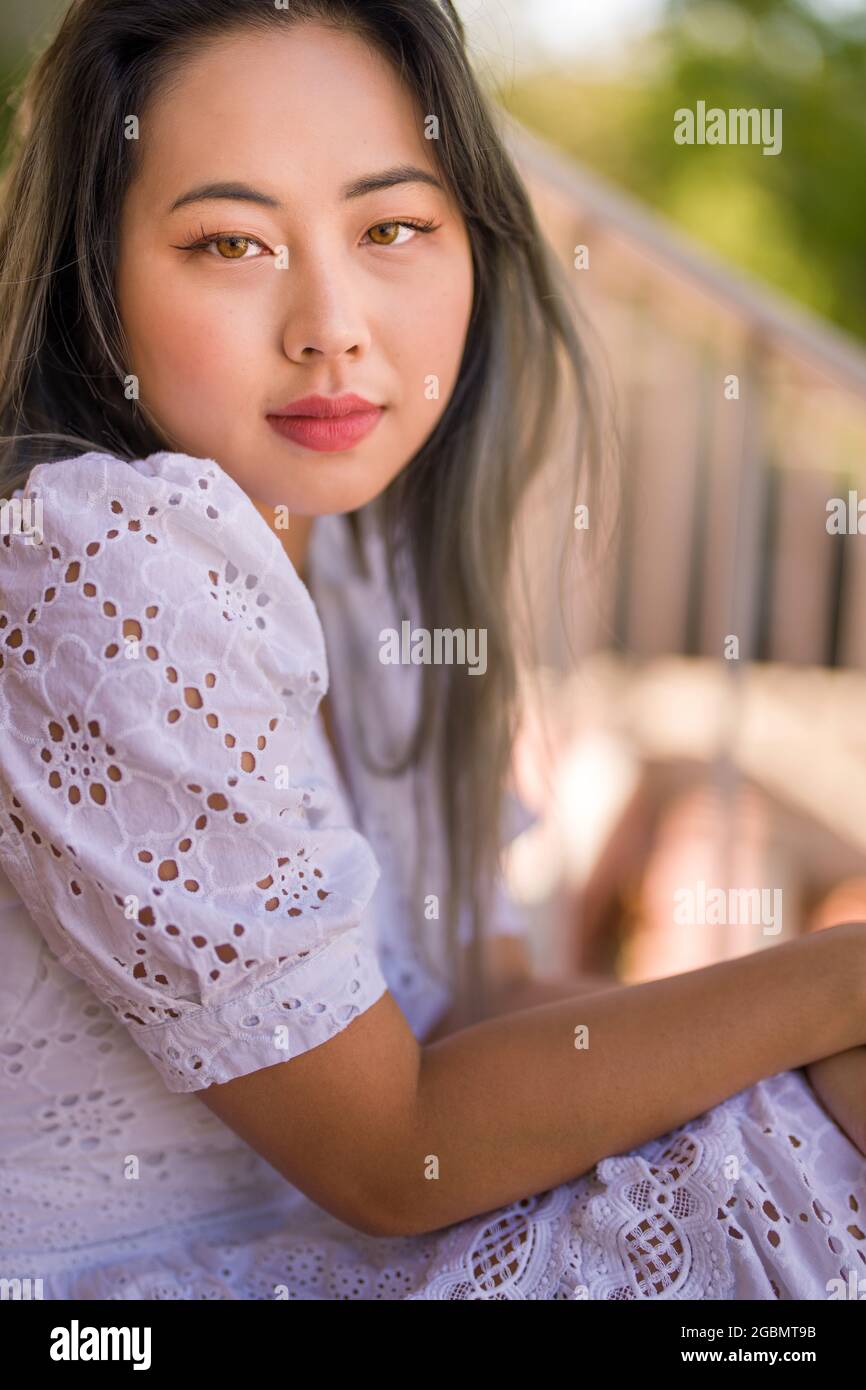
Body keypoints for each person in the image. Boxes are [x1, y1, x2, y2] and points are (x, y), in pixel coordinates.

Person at [0, 0, 864, 1301]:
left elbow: (476, 997)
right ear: (93, 275)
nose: (332, 323)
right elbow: (386, 1149)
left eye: (391, 227)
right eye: (229, 242)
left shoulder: (360, 558)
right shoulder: (104, 552)